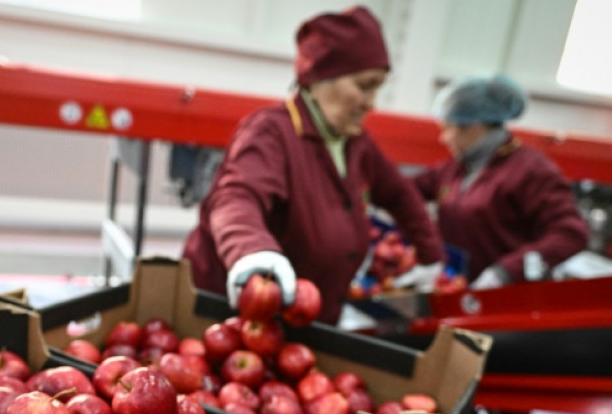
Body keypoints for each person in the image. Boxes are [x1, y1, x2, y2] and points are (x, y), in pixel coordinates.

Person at [182, 5, 446, 325]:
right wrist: (253, 252)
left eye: (378, 88)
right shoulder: (271, 132)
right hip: (234, 321)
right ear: (321, 79)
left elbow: (400, 194)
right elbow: (235, 197)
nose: (372, 103)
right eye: (365, 85)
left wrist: (431, 256)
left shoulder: (356, 142)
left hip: (306, 321)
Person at [411, 74, 589, 290]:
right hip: (459, 287)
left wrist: (506, 272)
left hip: (506, 298)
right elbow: (407, 190)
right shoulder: (458, 167)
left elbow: (571, 234)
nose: (444, 138)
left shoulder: (530, 171)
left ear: (475, 126)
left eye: (449, 128)